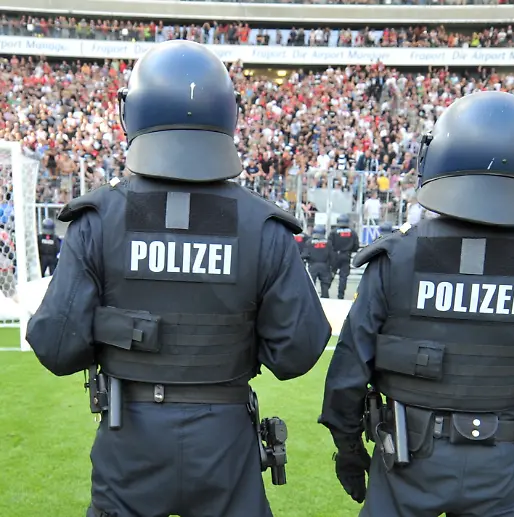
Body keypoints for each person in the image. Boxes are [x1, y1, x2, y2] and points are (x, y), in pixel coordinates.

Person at [25, 40, 331, 517]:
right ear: (229, 114)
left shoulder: (97, 219)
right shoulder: (263, 225)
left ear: (131, 112)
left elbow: (55, 347)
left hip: (129, 439)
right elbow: (299, 351)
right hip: (226, 441)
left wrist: (115, 332)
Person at [319, 90, 514, 517]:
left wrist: (349, 449)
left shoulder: (396, 257)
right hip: (503, 470)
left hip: (404, 461)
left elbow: (347, 374)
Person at [330, 214, 360, 299]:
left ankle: (325, 291)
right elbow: (356, 246)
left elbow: (329, 245)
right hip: (346, 255)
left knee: (331, 273)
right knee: (343, 276)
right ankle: (341, 295)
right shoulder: (353, 232)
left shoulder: (333, 232)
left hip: (335, 255)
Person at [307, 225, 334, 298]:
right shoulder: (328, 242)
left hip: (313, 265)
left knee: (311, 284)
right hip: (324, 265)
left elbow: (305, 254)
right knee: (325, 284)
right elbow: (332, 256)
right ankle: (325, 298)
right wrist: (332, 267)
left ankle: (311, 299)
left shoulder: (309, 242)